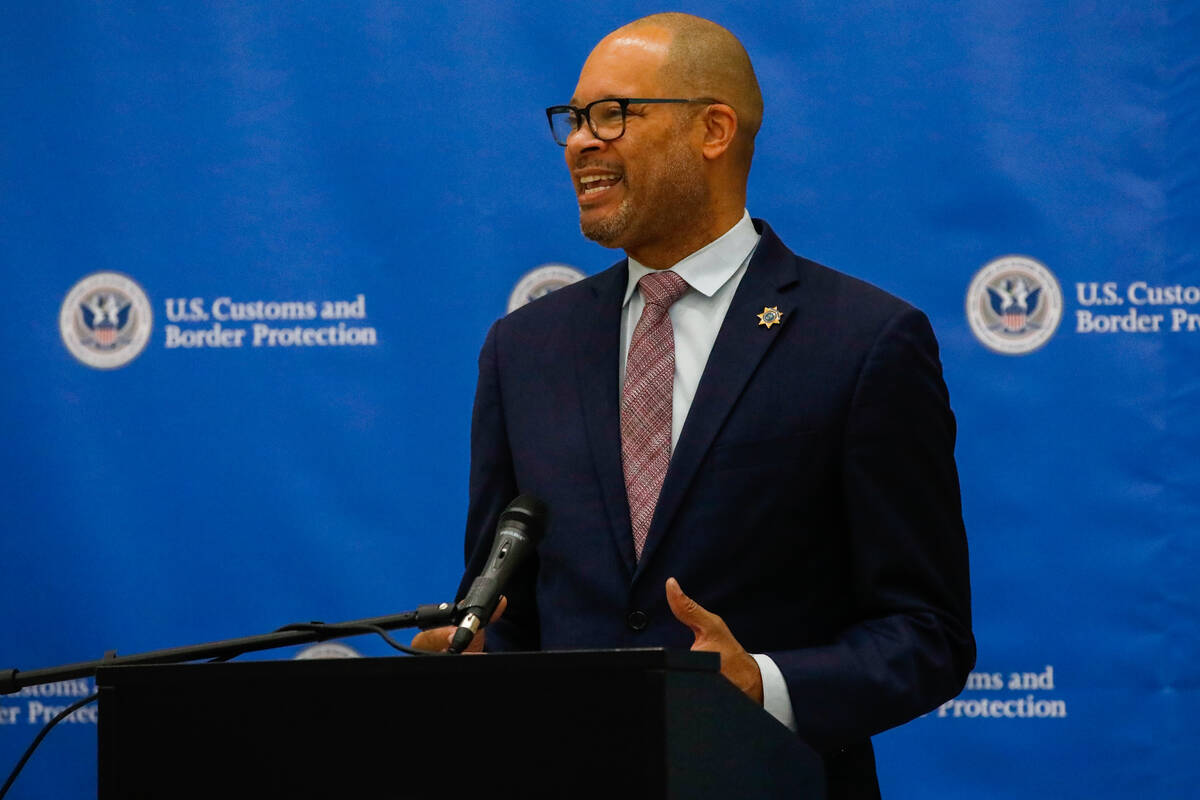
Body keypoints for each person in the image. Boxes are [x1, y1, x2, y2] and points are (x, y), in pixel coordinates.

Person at [413, 13, 974, 798]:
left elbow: (927, 634)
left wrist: (763, 685)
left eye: (612, 114)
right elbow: (513, 612)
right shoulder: (524, 349)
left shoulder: (863, 342)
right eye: (572, 121)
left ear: (714, 128)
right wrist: (480, 657)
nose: (580, 141)